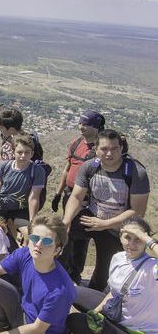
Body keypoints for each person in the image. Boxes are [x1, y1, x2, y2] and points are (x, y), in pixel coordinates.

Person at [62, 129, 150, 291]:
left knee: (103, 274)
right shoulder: (90, 167)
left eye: (114, 149)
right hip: (93, 216)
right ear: (96, 149)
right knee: (60, 236)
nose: (109, 153)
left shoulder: (136, 173)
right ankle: (62, 277)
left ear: (121, 149)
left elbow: (137, 212)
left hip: (116, 226)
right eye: (104, 149)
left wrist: (105, 224)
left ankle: (92, 301)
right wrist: (66, 221)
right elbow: (76, 197)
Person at [0, 215, 76, 334]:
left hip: (39, 331)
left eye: (47, 241)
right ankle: (0, 327)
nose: (38, 244)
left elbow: (37, 329)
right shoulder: (25, 254)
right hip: (22, 313)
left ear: (57, 250)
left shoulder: (60, 290)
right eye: (35, 238)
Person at [66, 217, 157, 334]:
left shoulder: (151, 267)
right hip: (117, 313)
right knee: (71, 292)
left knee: (75, 321)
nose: (132, 244)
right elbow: (115, 292)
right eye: (127, 237)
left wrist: (147, 238)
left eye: (138, 239)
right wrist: (96, 312)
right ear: (120, 237)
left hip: (137, 330)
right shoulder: (118, 258)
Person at [53, 110, 103, 283]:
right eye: (80, 123)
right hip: (70, 195)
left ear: (96, 127)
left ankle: (73, 274)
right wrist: (58, 193)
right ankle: (62, 270)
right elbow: (67, 169)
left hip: (87, 200)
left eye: (86, 124)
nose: (81, 127)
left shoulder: (100, 148)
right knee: (66, 232)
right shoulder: (76, 143)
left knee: (80, 238)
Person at [0, 135, 46, 239]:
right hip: (2, 207)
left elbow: (33, 197)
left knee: (30, 236)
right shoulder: (5, 166)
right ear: (14, 152)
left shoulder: (37, 171)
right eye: (19, 152)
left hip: (21, 209)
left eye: (27, 152)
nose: (23, 156)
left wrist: (32, 222)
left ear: (32, 153)